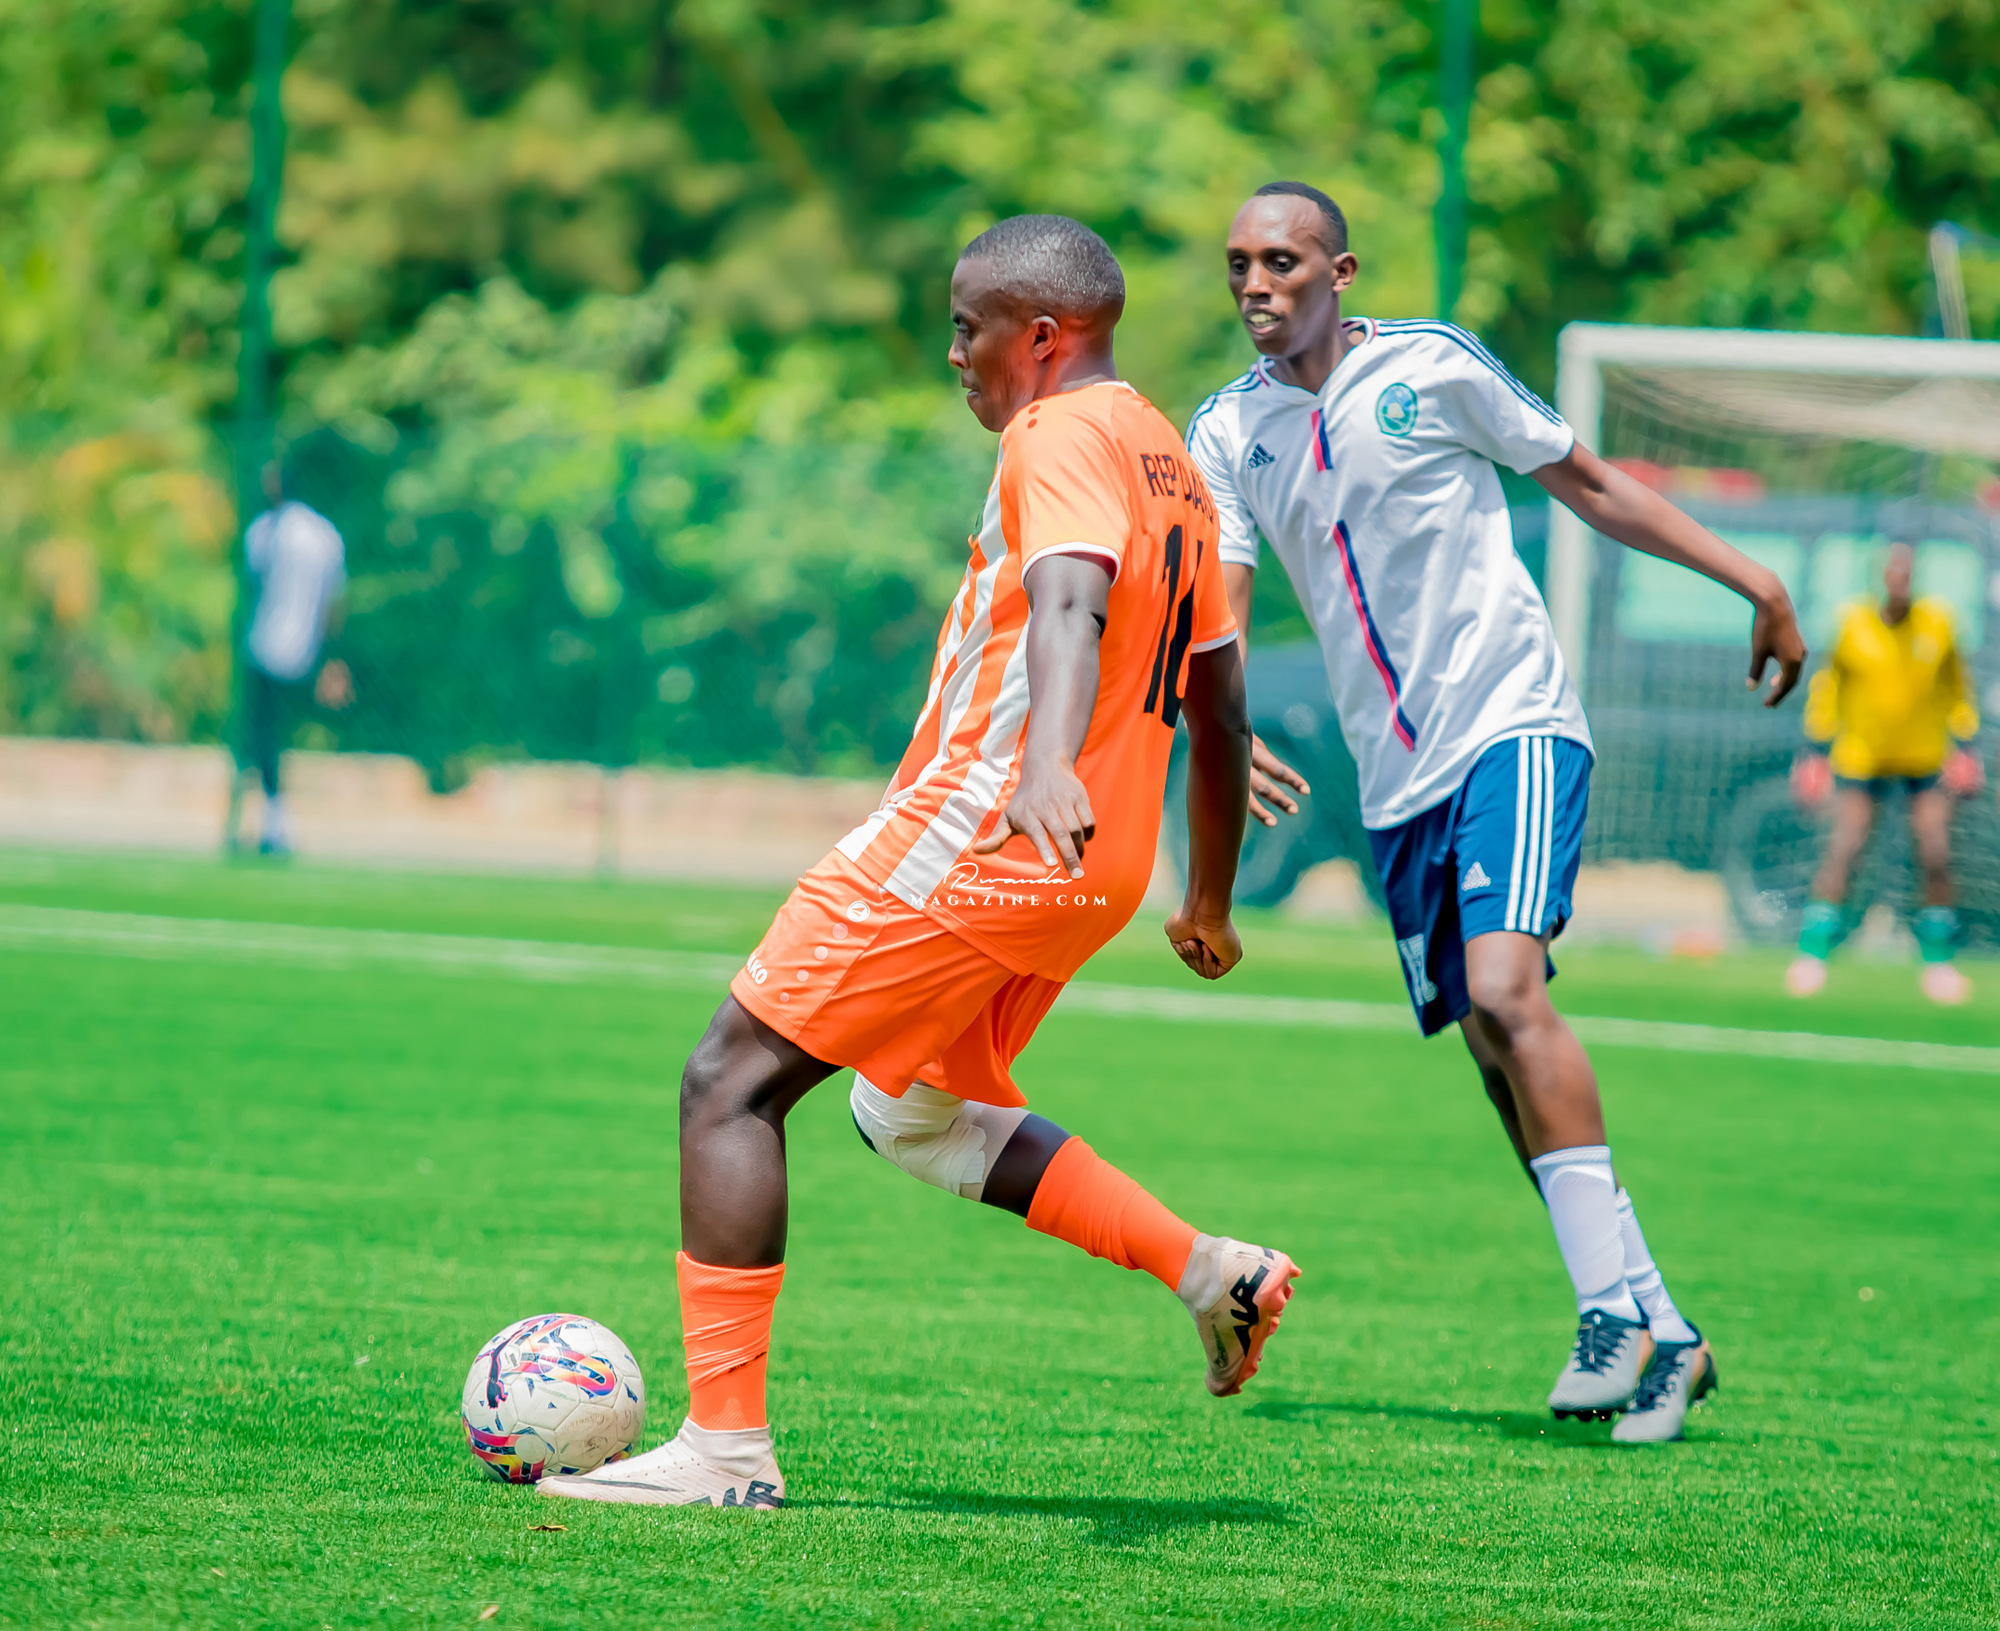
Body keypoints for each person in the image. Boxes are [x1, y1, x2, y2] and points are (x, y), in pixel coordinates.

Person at [540, 215, 1297, 1511]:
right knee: (907, 1111)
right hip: (1095, 869)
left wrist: (1045, 760)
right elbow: (1219, 705)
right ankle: (1210, 1270)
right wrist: (1207, 897)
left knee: (729, 1081)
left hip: (989, 830)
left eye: (966, 327)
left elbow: (1068, 601)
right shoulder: (1171, 462)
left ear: (1040, 336)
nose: (954, 353)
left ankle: (724, 1449)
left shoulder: (1055, 433)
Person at [1185, 181, 1807, 1444]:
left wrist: (1754, 579)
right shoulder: (1225, 430)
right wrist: (1226, 729)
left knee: (1508, 990)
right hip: (1394, 786)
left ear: (1339, 272)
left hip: (1511, 724)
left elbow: (1588, 482)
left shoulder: (1430, 367)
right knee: (1488, 1047)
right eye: (1239, 262)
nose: (1256, 283)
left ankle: (1605, 1316)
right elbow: (1223, 609)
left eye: (1282, 261)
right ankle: (1662, 1328)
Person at [1787, 542, 1984, 1004]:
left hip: (1924, 757)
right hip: (1862, 755)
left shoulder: (1938, 623)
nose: (1899, 578)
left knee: (1935, 850)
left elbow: (1958, 689)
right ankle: (1812, 955)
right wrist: (1815, 750)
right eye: (1892, 570)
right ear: (1880, 575)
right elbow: (1828, 687)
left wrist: (1966, 746)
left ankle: (1938, 962)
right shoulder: (1852, 623)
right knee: (1846, 847)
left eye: (1906, 571)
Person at [225, 463, 351, 856]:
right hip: (306, 651)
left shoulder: (264, 531)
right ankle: (270, 821)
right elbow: (335, 601)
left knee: (263, 740)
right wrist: (331, 658)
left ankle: (273, 823)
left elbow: (251, 587)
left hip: (265, 648)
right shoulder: (324, 535)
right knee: (275, 740)